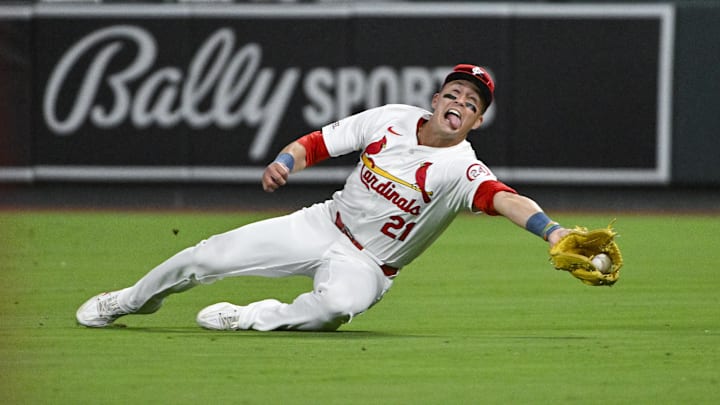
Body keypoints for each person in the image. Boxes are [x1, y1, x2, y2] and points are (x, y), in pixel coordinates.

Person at [76, 64, 570, 332]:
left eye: (472, 103)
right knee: (207, 254)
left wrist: (552, 231)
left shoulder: (462, 167)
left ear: (477, 121)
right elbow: (318, 143)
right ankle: (129, 301)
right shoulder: (391, 118)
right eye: (455, 94)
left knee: (334, 309)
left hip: (371, 265)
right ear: (435, 99)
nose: (460, 104)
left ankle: (249, 317)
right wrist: (285, 163)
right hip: (324, 223)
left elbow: (506, 198)